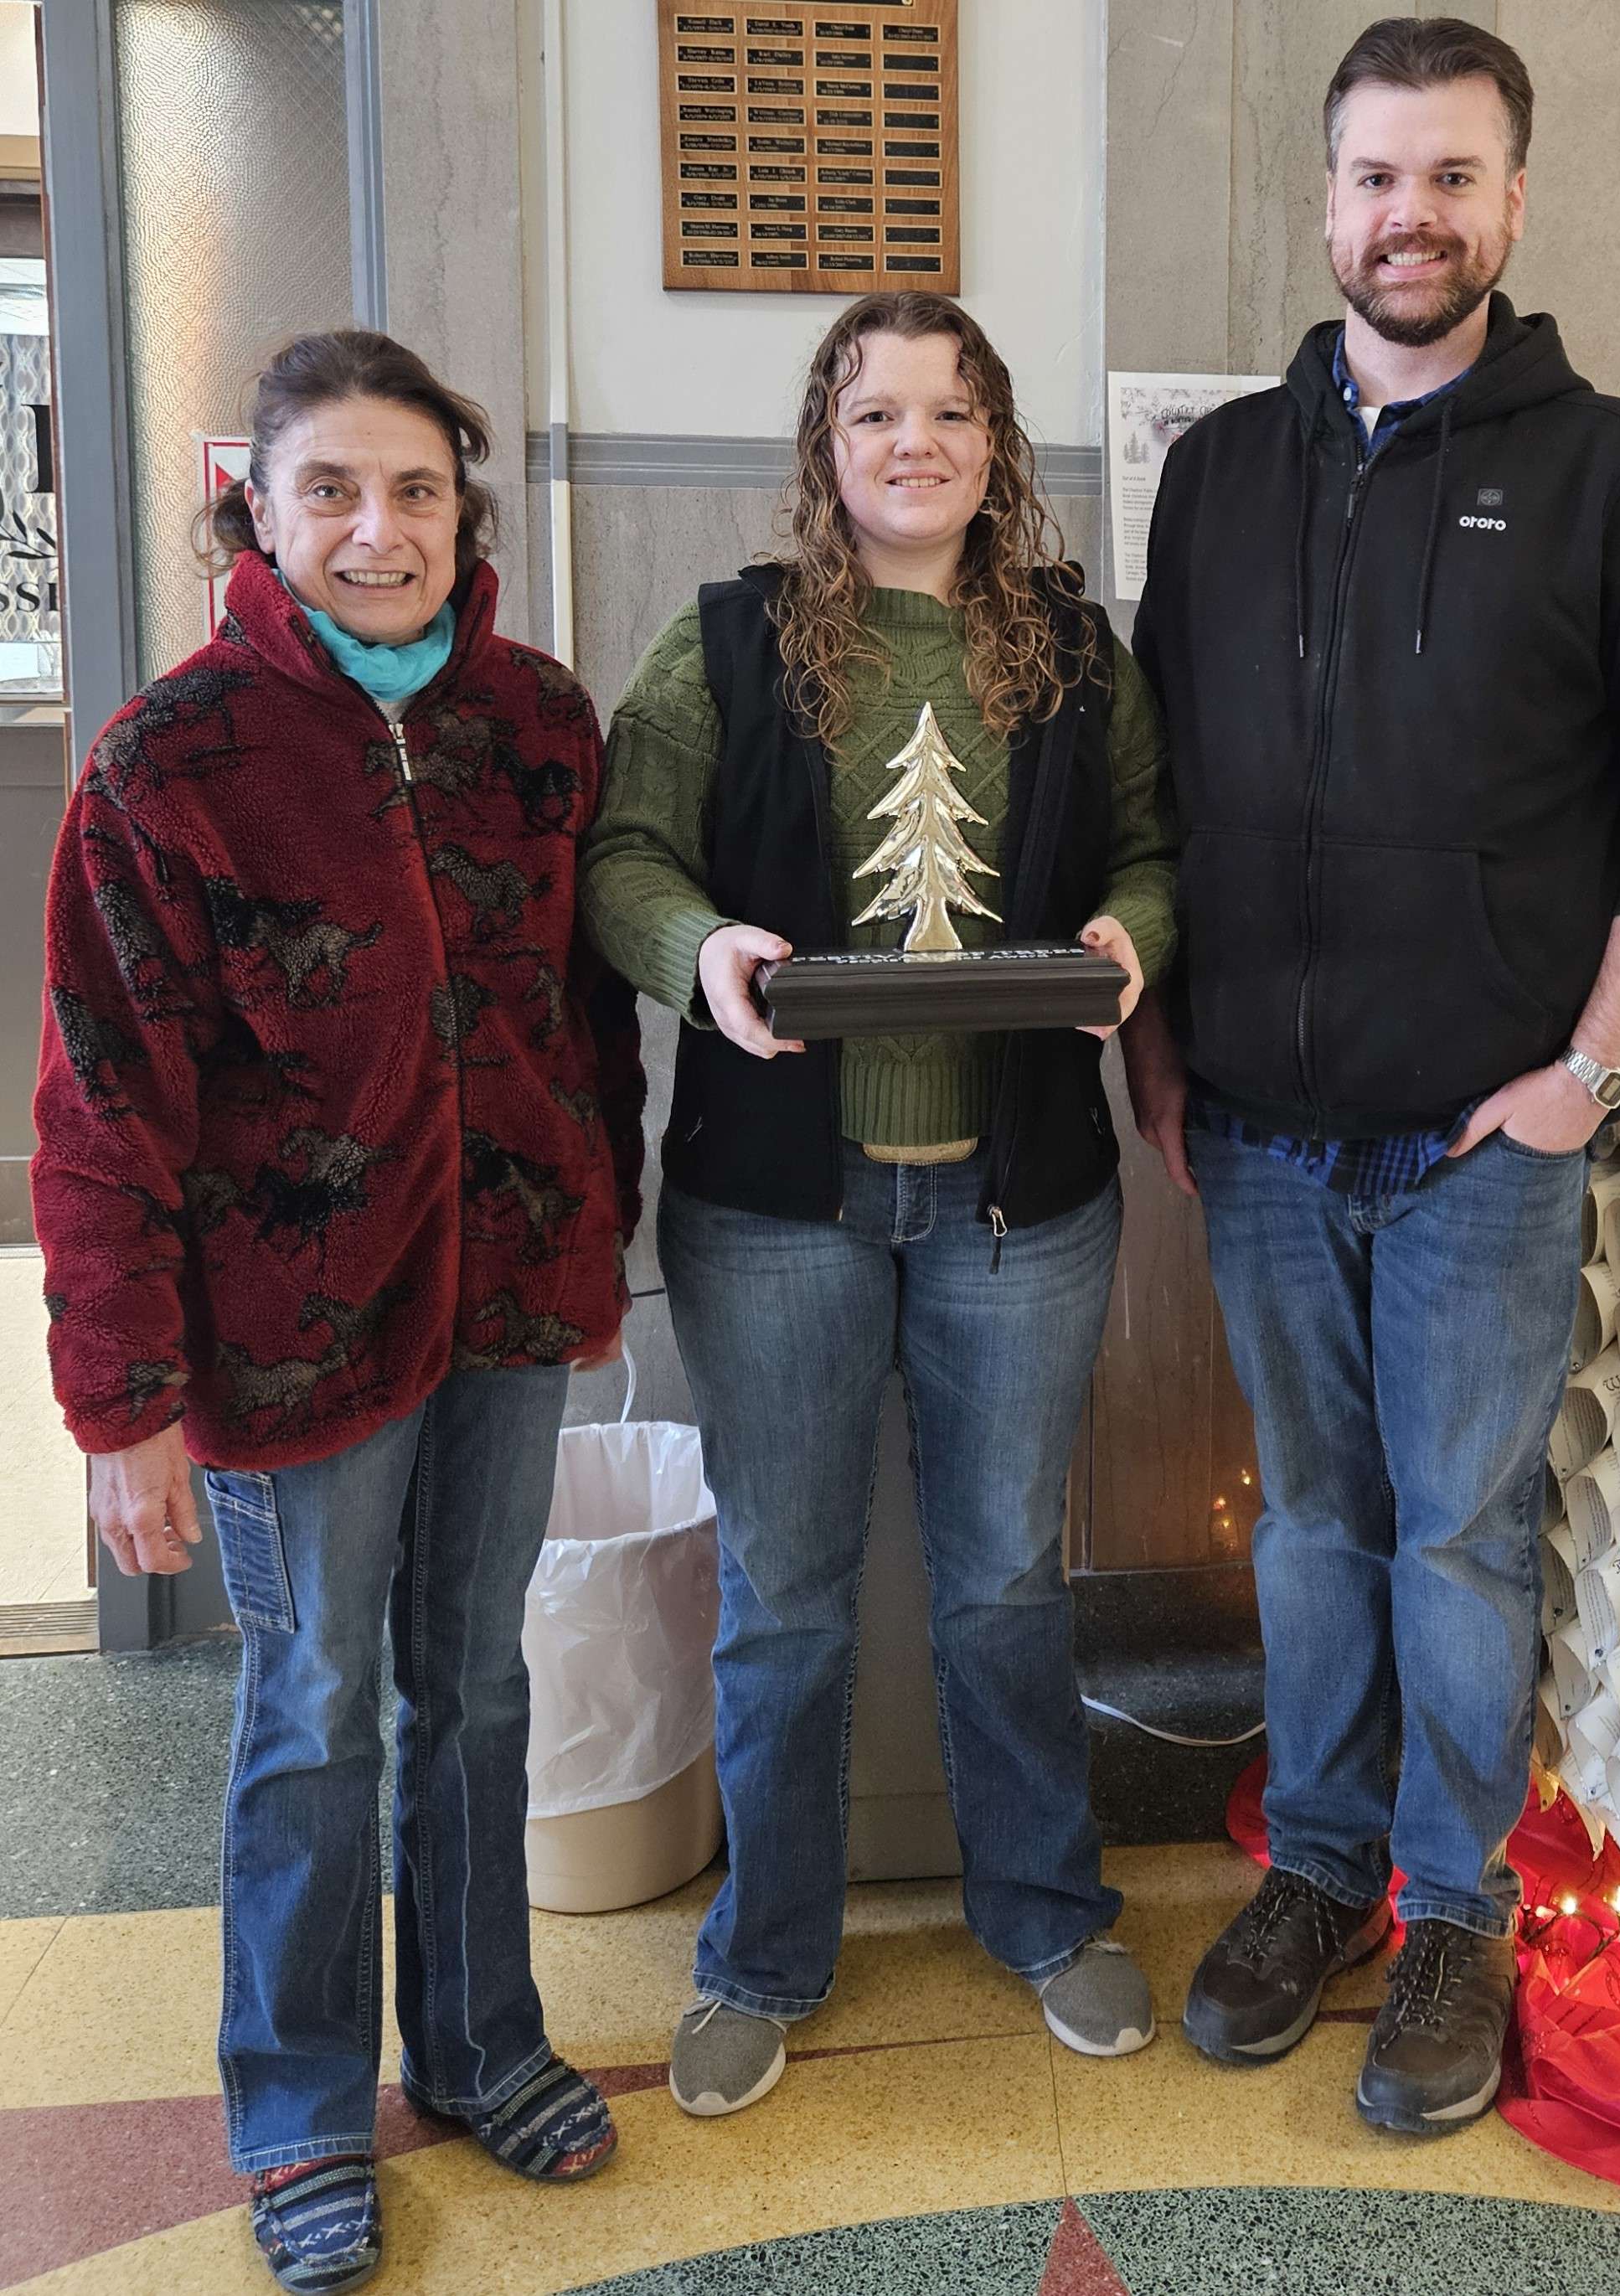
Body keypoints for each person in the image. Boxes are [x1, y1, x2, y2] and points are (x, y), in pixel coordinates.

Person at [1122, 18, 1620, 2134]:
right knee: (1312, 1529)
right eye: (1378, 177)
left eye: (1454, 177)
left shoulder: (1616, 471)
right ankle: (1317, 1870)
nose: (1412, 215)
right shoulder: (1221, 472)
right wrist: (1162, 1059)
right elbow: (1156, 793)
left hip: (1492, 1140)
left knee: (1461, 1545)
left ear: (1513, 202)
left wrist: (1588, 1067)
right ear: (1325, 204)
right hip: (1268, 1138)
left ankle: (1453, 1907)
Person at [34, 331, 643, 2293]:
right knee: (308, 1718)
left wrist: (591, 1249)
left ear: (465, 510)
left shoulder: (540, 722)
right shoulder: (166, 763)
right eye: (331, 490)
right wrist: (117, 1398)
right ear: (261, 510)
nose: (376, 529)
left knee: (475, 1687)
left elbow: (581, 1026)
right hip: (289, 1333)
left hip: (507, 1302)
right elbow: (103, 1094)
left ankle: (479, 2048)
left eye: (415, 492)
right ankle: (299, 2108)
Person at [581, 292, 1176, 2116]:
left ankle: (1044, 1910)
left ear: (996, 444)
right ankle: (764, 1952)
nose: (912, 443)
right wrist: (706, 952)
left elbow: (1154, 852)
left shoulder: (1080, 656)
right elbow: (623, 862)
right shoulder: (722, 649)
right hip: (775, 1213)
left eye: (950, 411)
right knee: (785, 1597)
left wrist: (1121, 943)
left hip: (1022, 1209)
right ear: (824, 450)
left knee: (1005, 1581)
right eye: (873, 415)